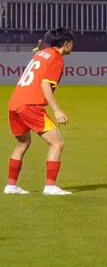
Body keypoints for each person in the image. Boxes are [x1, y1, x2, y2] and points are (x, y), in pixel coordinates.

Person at [5, 28, 74, 195]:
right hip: (31, 105)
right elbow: (45, 85)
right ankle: (50, 187)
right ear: (66, 44)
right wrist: (57, 111)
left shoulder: (41, 54)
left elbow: (42, 52)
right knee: (57, 143)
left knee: (22, 143)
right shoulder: (56, 58)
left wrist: (41, 49)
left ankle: (11, 186)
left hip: (15, 104)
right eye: (71, 43)